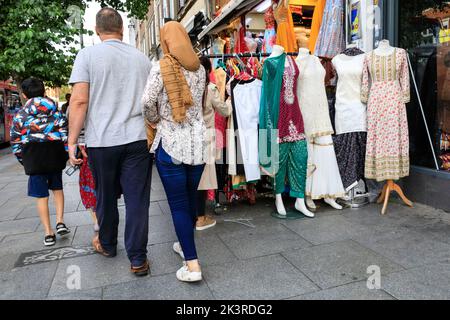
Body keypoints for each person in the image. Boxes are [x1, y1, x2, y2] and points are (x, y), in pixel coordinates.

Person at [68, 7, 153, 277]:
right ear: (122, 29)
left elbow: (79, 101)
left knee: (105, 197)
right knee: (137, 200)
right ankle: (138, 259)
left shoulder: (87, 55)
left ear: (97, 30)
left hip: (102, 141)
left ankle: (107, 244)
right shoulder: (142, 59)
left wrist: (71, 142)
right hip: (138, 139)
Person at [142, 21, 206, 282]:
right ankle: (184, 243)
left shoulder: (160, 67)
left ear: (166, 42)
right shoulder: (200, 68)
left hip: (171, 144)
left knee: (179, 205)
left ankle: (192, 265)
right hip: (199, 143)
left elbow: (147, 102)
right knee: (190, 200)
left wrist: (156, 119)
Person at [10, 78, 70, 246]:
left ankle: (48, 233)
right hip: (54, 154)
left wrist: (24, 160)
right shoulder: (56, 111)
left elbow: (15, 141)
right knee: (57, 188)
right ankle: (60, 222)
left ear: (23, 94)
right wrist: (65, 154)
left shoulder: (20, 115)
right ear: (44, 92)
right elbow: (65, 134)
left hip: (33, 156)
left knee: (41, 196)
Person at [196, 56, 232, 231]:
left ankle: (195, 214)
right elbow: (224, 110)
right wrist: (231, 101)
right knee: (203, 179)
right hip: (207, 136)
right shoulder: (210, 89)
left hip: (193, 137)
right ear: (210, 71)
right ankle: (200, 218)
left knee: (194, 176)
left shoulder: (191, 86)